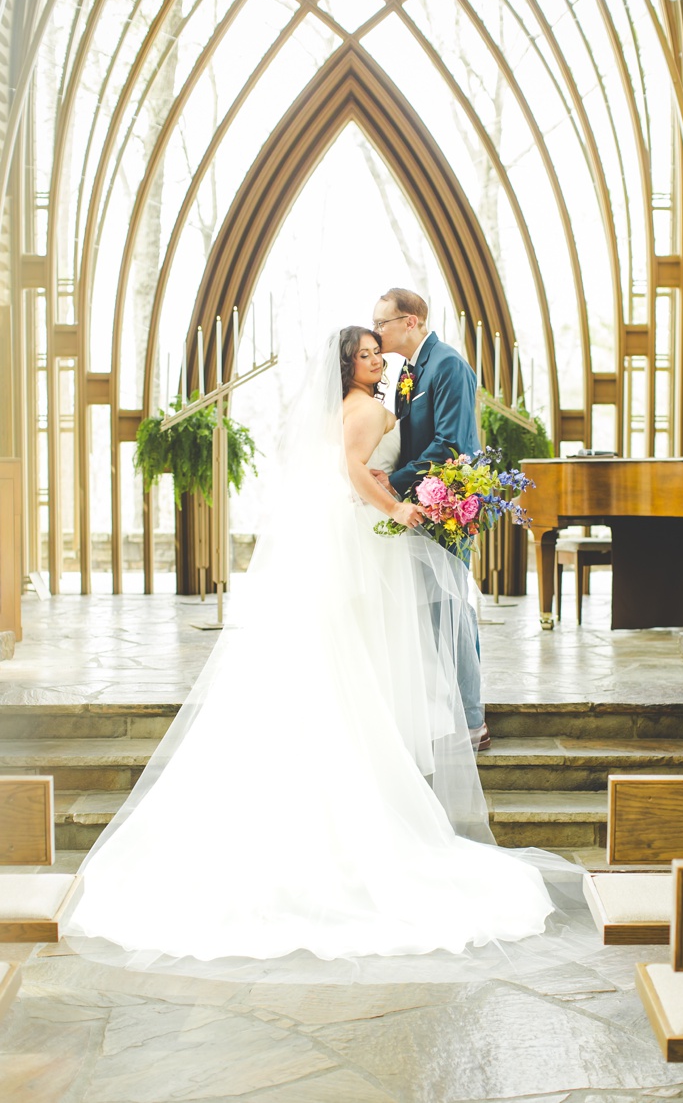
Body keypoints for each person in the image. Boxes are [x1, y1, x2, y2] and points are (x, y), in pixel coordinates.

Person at [63, 327, 576, 978]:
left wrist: (399, 393)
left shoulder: (367, 400)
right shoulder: (360, 408)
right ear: (345, 365)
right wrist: (401, 506)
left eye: (375, 352)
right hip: (355, 536)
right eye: (364, 353)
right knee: (346, 665)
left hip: (350, 535)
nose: (374, 359)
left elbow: (387, 429)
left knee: (349, 664)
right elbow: (353, 470)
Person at [369, 288, 490, 752]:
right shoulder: (411, 371)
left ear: (412, 321)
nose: (378, 332)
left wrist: (393, 481)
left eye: (383, 323)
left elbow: (452, 444)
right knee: (429, 617)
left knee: (453, 612)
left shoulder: (447, 366)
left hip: (447, 509)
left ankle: (474, 721)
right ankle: (445, 712)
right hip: (422, 508)